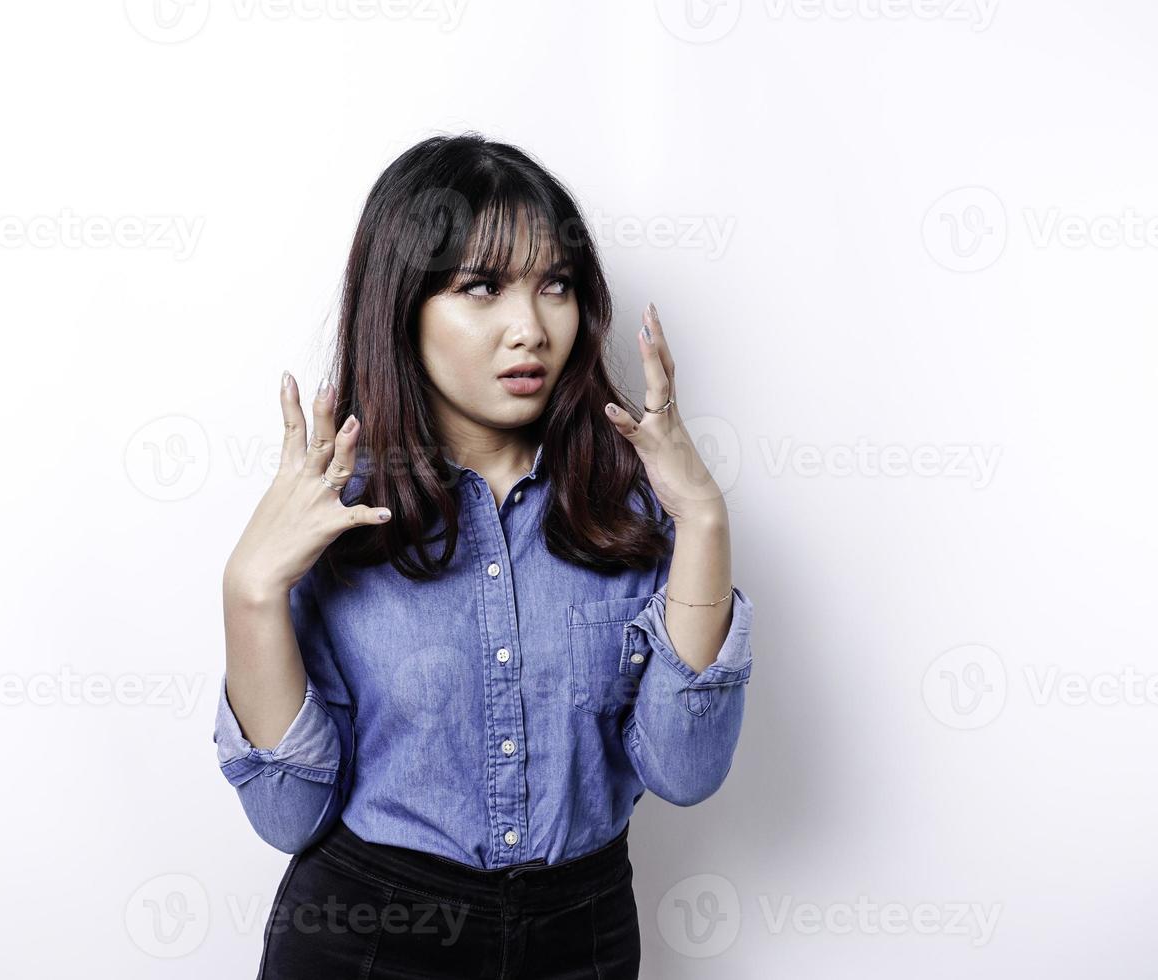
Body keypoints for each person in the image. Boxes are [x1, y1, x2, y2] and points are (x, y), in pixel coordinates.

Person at [213, 132, 755, 979]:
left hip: (585, 942)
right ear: (404, 306)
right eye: (482, 287)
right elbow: (288, 816)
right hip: (368, 943)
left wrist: (704, 522)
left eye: (556, 287)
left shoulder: (630, 510)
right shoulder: (335, 520)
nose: (530, 329)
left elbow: (685, 772)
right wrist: (250, 590)